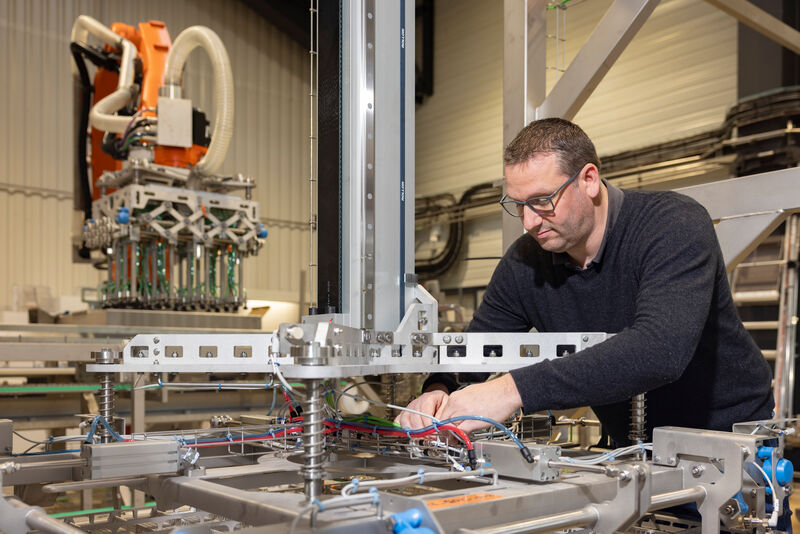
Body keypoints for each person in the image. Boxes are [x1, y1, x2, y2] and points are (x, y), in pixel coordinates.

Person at [397, 118, 774, 446]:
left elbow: (659, 351)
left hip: (726, 438)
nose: (529, 222)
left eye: (543, 200)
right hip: (632, 445)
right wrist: (437, 390)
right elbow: (479, 348)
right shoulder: (524, 262)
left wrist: (511, 390)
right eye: (517, 204)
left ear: (589, 180)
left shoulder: (672, 225)